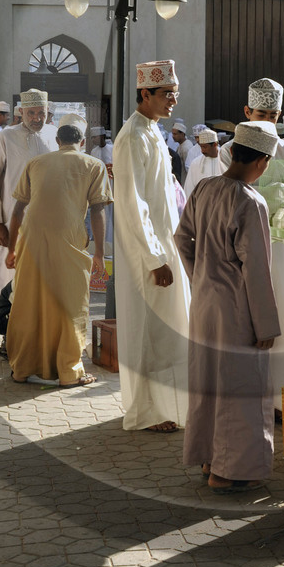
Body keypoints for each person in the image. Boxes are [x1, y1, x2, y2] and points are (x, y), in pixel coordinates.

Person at [176, 121, 282, 494]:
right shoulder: (250, 201)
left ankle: (208, 458)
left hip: (204, 302)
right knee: (241, 387)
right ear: (263, 162)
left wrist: (200, 275)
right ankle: (227, 471)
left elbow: (181, 237)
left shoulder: (205, 187)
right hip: (237, 308)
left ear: (232, 153)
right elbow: (256, 269)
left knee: (207, 381)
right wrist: (266, 325)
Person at [112, 60, 193, 432]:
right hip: (149, 254)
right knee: (148, 330)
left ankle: (166, 405)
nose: (172, 101)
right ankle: (145, 411)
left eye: (175, 94)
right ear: (145, 94)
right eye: (166, 95)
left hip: (166, 246)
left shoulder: (153, 132)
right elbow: (132, 202)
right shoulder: (132, 136)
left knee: (169, 332)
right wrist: (155, 258)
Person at [225, 78, 284, 394]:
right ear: (247, 111)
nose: (268, 121)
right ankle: (247, 392)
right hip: (243, 250)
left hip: (282, 250)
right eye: (262, 113)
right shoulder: (230, 150)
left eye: (273, 115)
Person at [4, 123, 111, 386]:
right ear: (82, 142)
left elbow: (18, 210)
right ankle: (69, 372)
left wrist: (11, 247)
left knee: (29, 301)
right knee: (70, 303)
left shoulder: (36, 162)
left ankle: (22, 368)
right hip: (69, 238)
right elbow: (98, 210)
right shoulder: (93, 165)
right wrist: (99, 252)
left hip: (31, 238)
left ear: (57, 141)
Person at [0, 89, 54, 305]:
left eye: (41, 113)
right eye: (31, 113)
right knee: (9, 274)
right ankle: (8, 330)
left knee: (44, 276)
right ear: (21, 112)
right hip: (11, 220)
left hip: (46, 222)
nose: (37, 118)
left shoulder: (53, 135)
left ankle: (37, 331)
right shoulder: (6, 136)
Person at [182, 128, 226, 196]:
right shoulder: (196, 163)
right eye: (201, 147)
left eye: (205, 147)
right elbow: (189, 189)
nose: (202, 151)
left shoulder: (226, 160)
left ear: (215, 144)